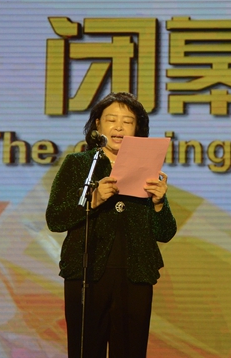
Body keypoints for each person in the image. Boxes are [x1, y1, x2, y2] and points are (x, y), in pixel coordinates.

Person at [46, 92, 177, 358]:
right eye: (111, 120)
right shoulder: (79, 164)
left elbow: (165, 232)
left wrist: (159, 203)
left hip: (136, 274)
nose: (119, 127)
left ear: (137, 128)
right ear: (98, 124)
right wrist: (92, 200)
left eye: (127, 121)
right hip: (87, 272)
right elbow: (55, 219)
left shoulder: (147, 168)